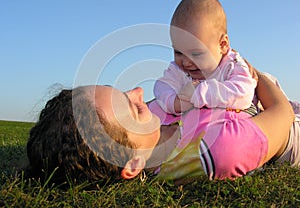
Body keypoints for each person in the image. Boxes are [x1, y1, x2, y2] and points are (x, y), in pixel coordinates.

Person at [26, 67, 298, 185]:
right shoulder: (218, 152)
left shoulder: (158, 114)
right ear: (133, 165)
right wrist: (250, 70)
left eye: (122, 90)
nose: (139, 92)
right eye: (135, 108)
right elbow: (282, 114)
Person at [154, 0, 257, 115]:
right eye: (178, 52)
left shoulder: (232, 65)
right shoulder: (178, 70)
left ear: (222, 45)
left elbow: (243, 94)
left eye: (196, 54)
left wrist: (199, 93)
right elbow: (161, 86)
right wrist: (174, 102)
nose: (186, 62)